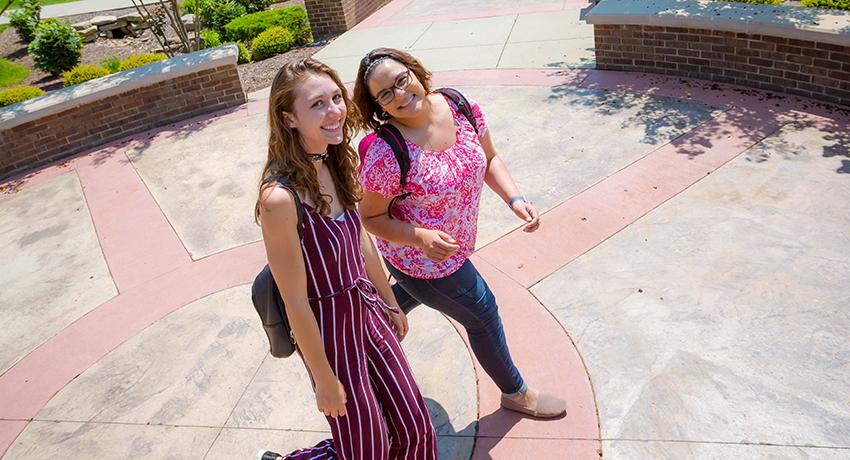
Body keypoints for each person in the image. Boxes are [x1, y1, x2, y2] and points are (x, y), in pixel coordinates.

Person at [353, 48, 566, 418]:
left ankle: (360, 321)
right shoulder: (387, 153)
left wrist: (514, 199)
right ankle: (516, 393)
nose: (400, 94)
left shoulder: (458, 104)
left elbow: (490, 157)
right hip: (422, 259)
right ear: (377, 106)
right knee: (482, 312)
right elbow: (369, 218)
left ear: (415, 72)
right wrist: (421, 237)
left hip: (457, 245)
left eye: (402, 80)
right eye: (385, 94)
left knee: (419, 296)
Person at [255, 58, 436, 460]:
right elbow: (294, 299)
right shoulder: (279, 199)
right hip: (327, 329)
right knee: (366, 447)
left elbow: (362, 241)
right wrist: (323, 378)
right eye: (317, 104)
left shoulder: (335, 160)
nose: (334, 111)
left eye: (336, 97)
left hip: (368, 310)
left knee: (415, 428)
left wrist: (389, 301)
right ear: (288, 119)